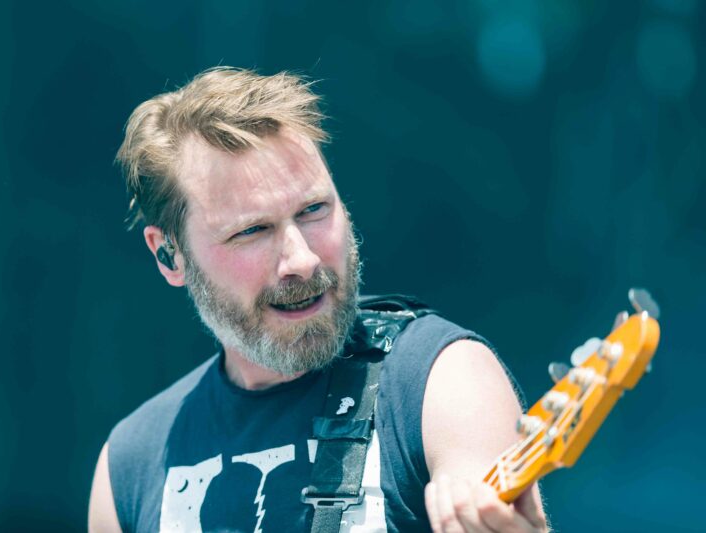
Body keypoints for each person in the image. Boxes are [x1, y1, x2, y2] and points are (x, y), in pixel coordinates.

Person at [88, 67, 548, 533]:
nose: (303, 261)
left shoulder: (439, 378)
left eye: (313, 210)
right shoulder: (130, 463)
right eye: (252, 230)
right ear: (169, 255)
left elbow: (479, 479)